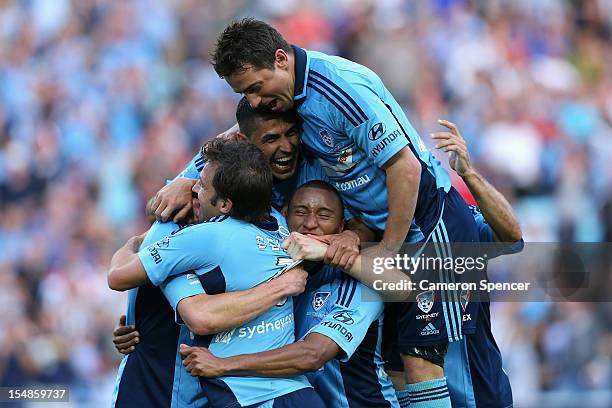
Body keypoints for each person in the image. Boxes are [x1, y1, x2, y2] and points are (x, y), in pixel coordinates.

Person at [211, 18, 483, 407]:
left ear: (281, 59)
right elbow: (242, 133)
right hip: (391, 233)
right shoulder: (289, 99)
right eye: (244, 94)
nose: (254, 101)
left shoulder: (339, 86)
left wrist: (388, 250)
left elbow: (405, 168)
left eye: (255, 88)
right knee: (398, 367)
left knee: (424, 359)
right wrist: (185, 178)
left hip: (431, 227)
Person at [108, 139, 325, 407]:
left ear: (225, 204)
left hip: (245, 396)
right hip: (157, 386)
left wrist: (131, 245)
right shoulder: (278, 225)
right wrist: (282, 286)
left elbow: (119, 276)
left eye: (200, 183)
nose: (193, 187)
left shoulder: (204, 237)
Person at [180, 180, 407, 407]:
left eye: (324, 215)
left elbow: (313, 355)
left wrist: (222, 364)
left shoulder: (358, 285)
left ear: (340, 229)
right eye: (300, 212)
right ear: (284, 217)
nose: (310, 224)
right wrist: (183, 185)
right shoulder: (268, 271)